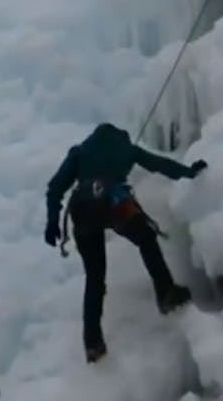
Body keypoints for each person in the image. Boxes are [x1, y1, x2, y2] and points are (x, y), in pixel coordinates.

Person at [44, 123, 206, 362]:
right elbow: (161, 165)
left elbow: (55, 188)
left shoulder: (79, 152)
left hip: (83, 208)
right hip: (114, 205)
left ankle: (93, 344)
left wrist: (52, 222)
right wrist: (191, 172)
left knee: (95, 278)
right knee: (146, 239)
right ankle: (166, 292)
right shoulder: (127, 149)